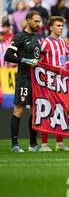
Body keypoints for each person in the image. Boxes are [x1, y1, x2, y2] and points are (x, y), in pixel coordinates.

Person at [4, 11, 42, 152]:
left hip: (36, 80)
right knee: (19, 109)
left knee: (35, 111)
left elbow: (39, 57)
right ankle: (15, 144)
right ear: (28, 21)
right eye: (36, 21)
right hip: (24, 79)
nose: (38, 24)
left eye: (39, 21)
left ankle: (33, 144)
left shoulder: (38, 38)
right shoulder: (19, 37)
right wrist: (24, 60)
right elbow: (8, 56)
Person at [39, 16, 69, 151]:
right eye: (58, 26)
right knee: (46, 111)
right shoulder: (46, 43)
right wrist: (47, 72)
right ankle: (44, 144)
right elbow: (39, 62)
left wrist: (66, 66)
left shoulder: (62, 43)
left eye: (62, 26)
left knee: (60, 111)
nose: (61, 28)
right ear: (51, 27)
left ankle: (59, 144)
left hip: (61, 82)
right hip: (48, 82)